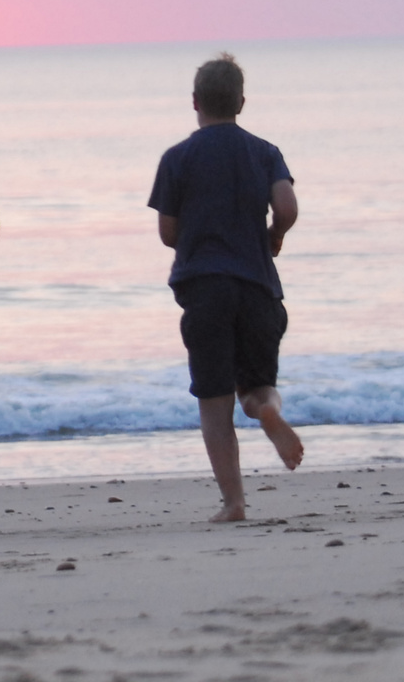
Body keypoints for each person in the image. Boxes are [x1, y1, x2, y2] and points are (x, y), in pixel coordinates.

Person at [147, 53, 304, 523]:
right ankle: (269, 413)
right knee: (257, 388)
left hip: (205, 290)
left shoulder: (177, 158)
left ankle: (234, 503)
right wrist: (275, 233)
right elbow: (288, 206)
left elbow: (168, 233)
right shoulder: (264, 151)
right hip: (257, 287)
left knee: (215, 403)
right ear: (241, 101)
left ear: (195, 102)